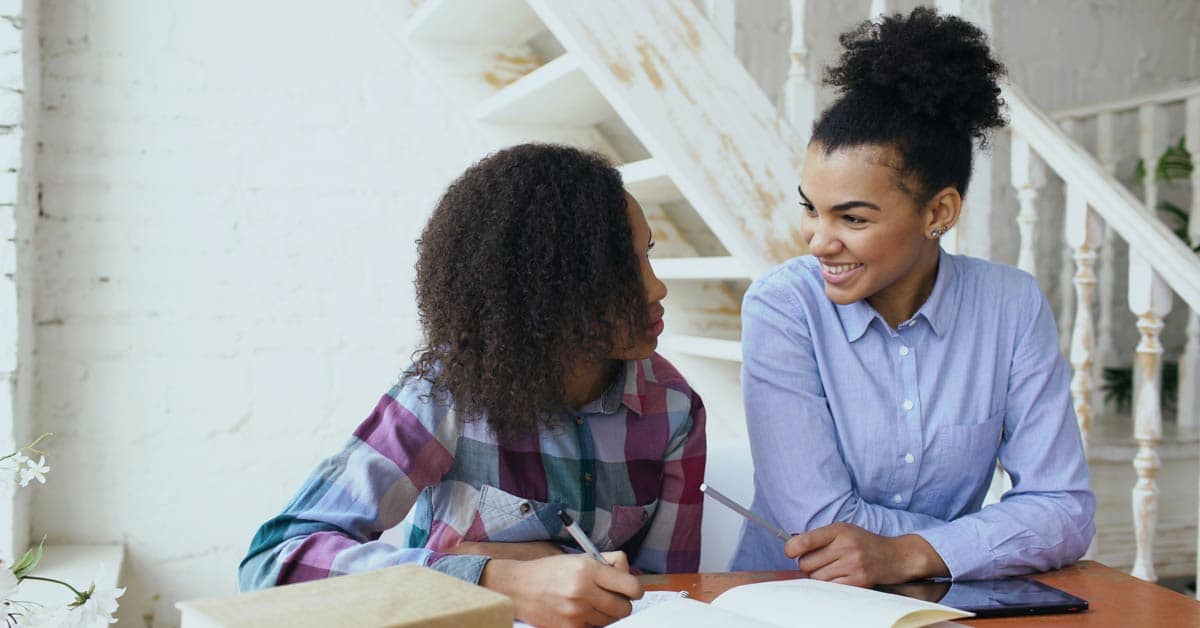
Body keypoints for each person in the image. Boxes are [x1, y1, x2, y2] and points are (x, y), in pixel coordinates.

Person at [238, 143, 706, 628]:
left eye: (647, 255)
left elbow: (671, 593)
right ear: (543, 289)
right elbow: (274, 563)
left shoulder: (675, 409)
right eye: (620, 270)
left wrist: (550, 566)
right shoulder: (446, 393)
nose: (656, 288)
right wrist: (493, 578)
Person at [730, 8, 1094, 585]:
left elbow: (1065, 509)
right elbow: (820, 523)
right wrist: (982, 540)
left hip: (939, 606)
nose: (818, 240)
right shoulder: (783, 308)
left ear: (938, 212)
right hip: (789, 602)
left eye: (852, 218)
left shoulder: (1011, 307)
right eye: (810, 208)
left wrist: (909, 553)